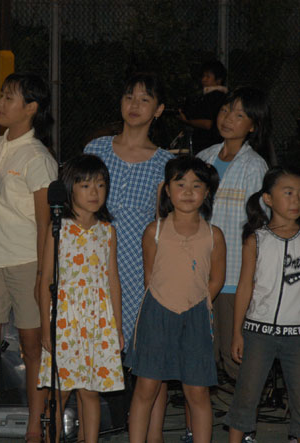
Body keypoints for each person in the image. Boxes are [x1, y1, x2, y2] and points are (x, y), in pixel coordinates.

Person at [84, 72, 174, 443]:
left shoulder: (165, 162)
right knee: (89, 359)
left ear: (159, 110)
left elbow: (164, 225)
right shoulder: (96, 149)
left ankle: (153, 437)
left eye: (144, 99)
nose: (134, 105)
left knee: (150, 365)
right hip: (93, 269)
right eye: (128, 97)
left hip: (140, 273)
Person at [0, 72, 57, 442]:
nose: (0, 103)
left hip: (26, 264)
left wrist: (42, 276)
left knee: (32, 346)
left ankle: (36, 426)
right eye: (1, 96)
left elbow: (45, 223)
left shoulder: (38, 157)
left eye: (9, 98)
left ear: (31, 108)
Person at [127, 156, 225, 443]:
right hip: (156, 314)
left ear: (207, 192)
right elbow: (149, 275)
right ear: (167, 190)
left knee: (197, 391)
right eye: (180, 184)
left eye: (197, 185)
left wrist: (198, 304)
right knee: (146, 387)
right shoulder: (154, 231)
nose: (188, 191)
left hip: (196, 316)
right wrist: (166, 303)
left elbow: (216, 279)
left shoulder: (213, 235)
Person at [37, 154, 125, 443]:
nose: (94, 192)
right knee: (60, 391)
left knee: (91, 391)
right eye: (85, 185)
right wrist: (46, 325)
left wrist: (117, 327)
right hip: (65, 321)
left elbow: (113, 281)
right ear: (70, 188)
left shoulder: (107, 231)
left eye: (100, 185)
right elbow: (46, 280)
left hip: (97, 322)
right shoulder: (58, 229)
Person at [196, 87, 269, 383]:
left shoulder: (255, 166)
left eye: (239, 115)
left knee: (233, 355)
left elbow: (260, 226)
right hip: (199, 272)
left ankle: (245, 411)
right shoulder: (203, 158)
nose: (228, 118)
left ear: (253, 125)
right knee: (201, 354)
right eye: (226, 110)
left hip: (233, 278)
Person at [225, 167, 300, 443]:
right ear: (268, 199)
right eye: (288, 193)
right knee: (246, 395)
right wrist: (237, 332)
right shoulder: (256, 238)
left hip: (296, 334)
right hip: (259, 332)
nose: (295, 200)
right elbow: (244, 286)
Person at [178, 59, 228, 154]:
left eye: (208, 76)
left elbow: (207, 123)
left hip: (208, 144)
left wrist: (187, 121)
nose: (203, 79)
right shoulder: (221, 96)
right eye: (203, 76)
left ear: (218, 80)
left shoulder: (213, 96)